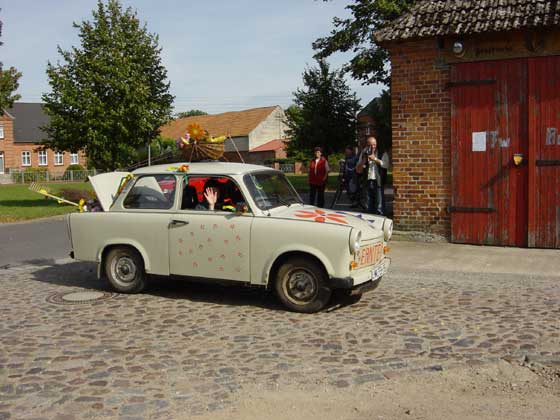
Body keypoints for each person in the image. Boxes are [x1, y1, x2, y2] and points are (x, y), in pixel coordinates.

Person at [359, 136, 389, 215]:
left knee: (379, 207)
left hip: (378, 181)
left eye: (374, 144)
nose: (372, 146)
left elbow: (386, 165)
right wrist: (364, 160)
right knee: (368, 206)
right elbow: (358, 169)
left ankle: (381, 221)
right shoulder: (363, 153)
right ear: (366, 145)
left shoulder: (382, 152)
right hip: (367, 181)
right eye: (370, 145)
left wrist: (375, 159)